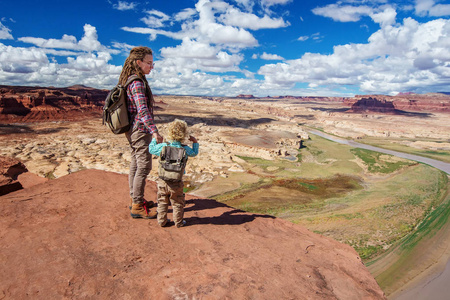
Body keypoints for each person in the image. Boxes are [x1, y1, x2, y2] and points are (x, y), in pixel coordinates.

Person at [119, 46, 163, 219]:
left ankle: (135, 199)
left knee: (136, 164)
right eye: (149, 63)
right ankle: (137, 205)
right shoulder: (136, 82)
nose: (151, 67)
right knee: (144, 165)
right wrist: (155, 132)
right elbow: (142, 110)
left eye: (153, 63)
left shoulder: (131, 79)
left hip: (133, 129)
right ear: (139, 62)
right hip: (139, 130)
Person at [149, 119, 199, 228]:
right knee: (177, 202)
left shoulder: (163, 147)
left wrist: (155, 139)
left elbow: (151, 149)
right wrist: (195, 142)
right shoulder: (184, 149)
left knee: (162, 201)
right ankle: (179, 222)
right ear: (184, 134)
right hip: (177, 181)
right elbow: (194, 153)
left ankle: (162, 221)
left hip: (163, 180)